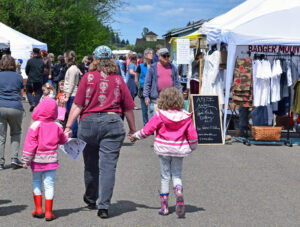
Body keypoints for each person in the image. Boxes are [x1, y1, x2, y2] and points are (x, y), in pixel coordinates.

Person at [64, 45, 136, 219]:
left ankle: (90, 198)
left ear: (94, 60)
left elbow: (78, 105)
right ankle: (103, 206)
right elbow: (128, 107)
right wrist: (133, 129)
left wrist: (68, 126)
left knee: (90, 164)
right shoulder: (118, 79)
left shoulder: (88, 77)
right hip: (112, 122)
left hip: (88, 123)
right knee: (108, 167)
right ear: (111, 60)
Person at [129, 87, 198, 217]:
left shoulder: (160, 115)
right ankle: (178, 192)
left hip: (163, 149)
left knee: (165, 177)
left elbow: (148, 130)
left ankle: (164, 207)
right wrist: (193, 147)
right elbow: (192, 135)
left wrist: (135, 136)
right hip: (178, 149)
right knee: (176, 175)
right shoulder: (186, 116)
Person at [22, 98, 68, 221]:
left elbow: (29, 144)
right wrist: (67, 134)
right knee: (49, 184)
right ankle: (49, 212)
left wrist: (26, 160)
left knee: (36, 182)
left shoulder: (35, 125)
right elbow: (63, 140)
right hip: (52, 160)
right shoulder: (57, 125)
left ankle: (38, 209)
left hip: (37, 160)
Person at [0, 55, 25, 169]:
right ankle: (14, 158)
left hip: (0, 107)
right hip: (15, 107)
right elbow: (21, 95)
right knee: (15, 133)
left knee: (1, 136)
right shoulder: (19, 77)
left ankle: (0, 162)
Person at [143, 48, 182, 117]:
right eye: (164, 56)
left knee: (169, 122)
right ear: (159, 56)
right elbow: (147, 83)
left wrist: (180, 95)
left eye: (168, 56)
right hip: (157, 100)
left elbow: (177, 83)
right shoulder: (153, 67)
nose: (166, 58)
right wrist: (146, 96)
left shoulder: (173, 67)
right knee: (157, 123)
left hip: (171, 100)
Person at [63, 50, 80, 138]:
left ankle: (73, 135)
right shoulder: (73, 68)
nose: (64, 59)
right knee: (70, 115)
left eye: (65, 57)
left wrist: (67, 96)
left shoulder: (73, 69)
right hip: (70, 94)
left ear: (68, 58)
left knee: (72, 116)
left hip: (72, 95)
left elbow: (72, 83)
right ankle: (72, 134)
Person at [135, 48, 153, 125]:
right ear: (145, 55)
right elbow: (136, 79)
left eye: (152, 53)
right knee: (144, 109)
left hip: (152, 90)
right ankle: (146, 124)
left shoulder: (154, 65)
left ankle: (152, 125)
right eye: (150, 53)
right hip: (143, 90)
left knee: (152, 109)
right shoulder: (141, 66)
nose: (152, 55)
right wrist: (139, 86)